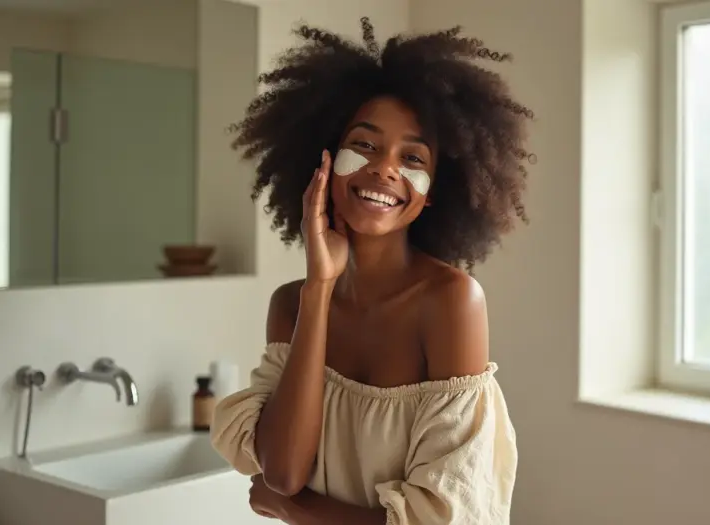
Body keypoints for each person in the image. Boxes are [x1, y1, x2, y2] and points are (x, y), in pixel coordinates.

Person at [211, 17, 534, 525]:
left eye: (412, 156)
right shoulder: (291, 302)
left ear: (431, 193)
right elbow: (283, 473)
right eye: (364, 144)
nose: (385, 168)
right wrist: (319, 288)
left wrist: (297, 512)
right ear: (323, 158)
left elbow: (443, 520)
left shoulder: (451, 301)